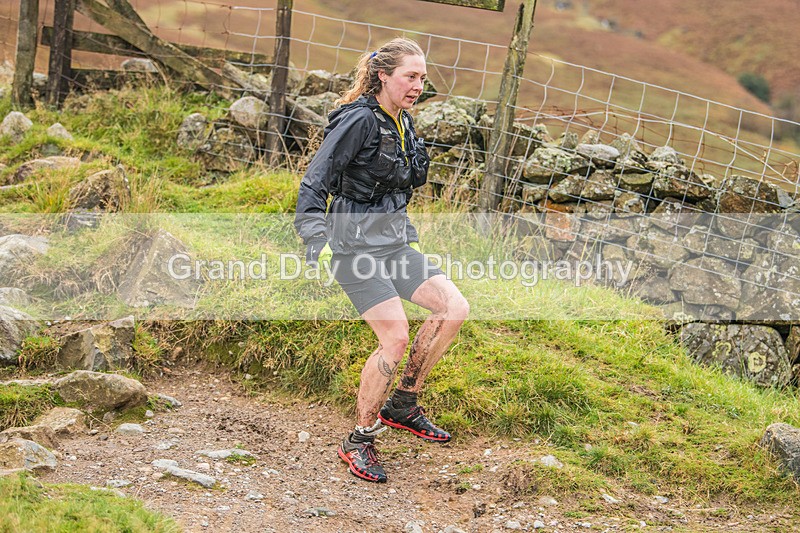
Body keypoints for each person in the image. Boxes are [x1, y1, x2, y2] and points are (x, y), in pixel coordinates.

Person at [294, 37, 470, 483]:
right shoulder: (358, 122)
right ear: (383, 75)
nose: (417, 85)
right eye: (410, 76)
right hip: (352, 249)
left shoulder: (404, 123)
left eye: (422, 78)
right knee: (394, 338)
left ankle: (403, 404)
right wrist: (317, 237)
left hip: (394, 245)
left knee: (453, 309)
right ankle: (360, 437)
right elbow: (315, 181)